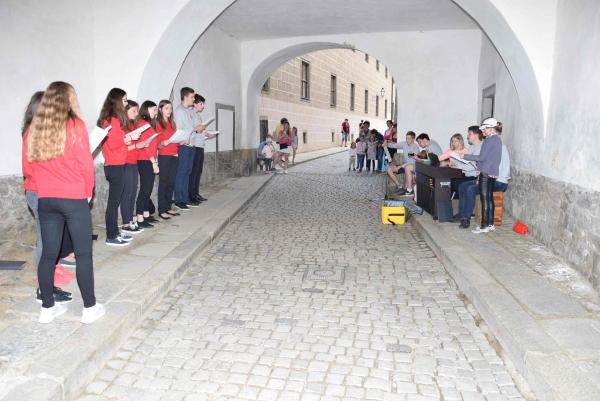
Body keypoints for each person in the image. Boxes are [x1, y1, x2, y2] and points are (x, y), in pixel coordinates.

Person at [27, 81, 103, 324]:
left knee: (48, 255)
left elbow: (30, 166)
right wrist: (88, 192)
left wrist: (42, 189)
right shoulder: (74, 125)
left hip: (46, 199)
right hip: (72, 197)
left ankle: (47, 309)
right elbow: (85, 163)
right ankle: (89, 308)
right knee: (83, 254)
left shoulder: (35, 128)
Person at [22, 91, 73, 304]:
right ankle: (43, 290)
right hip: (40, 193)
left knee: (49, 242)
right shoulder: (34, 134)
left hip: (47, 192)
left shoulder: (42, 132)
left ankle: (47, 285)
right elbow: (32, 169)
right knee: (45, 244)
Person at [98, 88, 134, 247]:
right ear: (117, 101)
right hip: (114, 165)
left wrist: (128, 138)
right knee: (113, 203)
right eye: (124, 100)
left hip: (119, 163)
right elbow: (110, 143)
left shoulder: (116, 119)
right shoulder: (110, 120)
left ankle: (115, 233)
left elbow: (118, 140)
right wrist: (126, 140)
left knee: (116, 200)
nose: (126, 103)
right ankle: (111, 236)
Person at [459, 118, 504, 234]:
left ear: (491, 129)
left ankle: (484, 226)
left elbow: (481, 158)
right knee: (489, 199)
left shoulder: (489, 140)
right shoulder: (497, 139)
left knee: (485, 200)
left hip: (485, 172)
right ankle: (490, 224)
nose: (483, 132)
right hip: (493, 173)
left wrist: (465, 156)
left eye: (484, 129)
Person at [173, 87, 205, 210]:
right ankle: (179, 200)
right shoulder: (179, 111)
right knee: (181, 173)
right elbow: (180, 129)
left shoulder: (189, 111)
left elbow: (191, 128)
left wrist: (197, 129)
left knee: (187, 173)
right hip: (183, 146)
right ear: (185, 97)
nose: (193, 99)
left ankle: (185, 198)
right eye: (192, 97)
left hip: (191, 145)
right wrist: (195, 129)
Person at [120, 100, 145, 235]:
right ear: (126, 111)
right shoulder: (122, 126)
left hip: (133, 161)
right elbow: (121, 148)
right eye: (134, 111)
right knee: (127, 193)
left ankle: (130, 220)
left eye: (137, 111)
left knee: (133, 192)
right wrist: (136, 145)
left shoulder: (132, 125)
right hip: (125, 162)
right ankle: (126, 223)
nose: (136, 114)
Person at [135, 101, 160, 224]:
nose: (155, 112)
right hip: (145, 159)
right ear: (146, 109)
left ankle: (146, 213)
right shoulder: (143, 124)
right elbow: (146, 145)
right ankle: (140, 217)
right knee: (145, 189)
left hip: (148, 159)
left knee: (148, 189)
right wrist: (153, 162)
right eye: (153, 109)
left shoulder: (148, 124)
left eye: (156, 110)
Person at [189, 94, 216, 203]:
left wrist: (208, 135)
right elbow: (191, 131)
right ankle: (191, 195)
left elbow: (200, 131)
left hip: (200, 146)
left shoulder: (198, 116)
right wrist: (199, 130)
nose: (203, 106)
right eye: (201, 103)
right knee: (193, 172)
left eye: (203, 104)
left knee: (198, 171)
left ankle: (195, 193)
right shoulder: (190, 114)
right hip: (194, 146)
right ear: (195, 104)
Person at [156, 100, 180, 219]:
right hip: (164, 155)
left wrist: (181, 141)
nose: (169, 110)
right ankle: (161, 210)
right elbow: (157, 143)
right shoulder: (158, 123)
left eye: (170, 108)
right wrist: (162, 143)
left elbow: (175, 139)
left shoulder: (172, 123)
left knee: (171, 182)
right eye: (166, 108)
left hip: (174, 155)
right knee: (164, 182)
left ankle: (168, 207)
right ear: (160, 110)